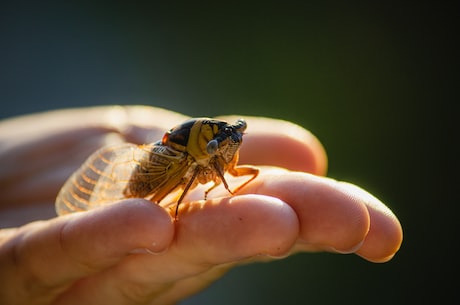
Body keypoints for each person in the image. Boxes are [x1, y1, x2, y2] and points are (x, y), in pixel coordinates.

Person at [0, 105, 403, 305]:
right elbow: (193, 176)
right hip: (154, 172)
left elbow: (224, 169)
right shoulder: (181, 158)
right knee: (149, 207)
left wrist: (220, 168)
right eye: (222, 145)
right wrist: (183, 198)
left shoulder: (218, 146)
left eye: (234, 141)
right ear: (204, 144)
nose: (232, 147)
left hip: (188, 160)